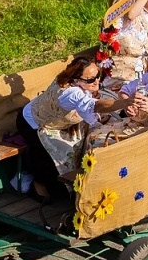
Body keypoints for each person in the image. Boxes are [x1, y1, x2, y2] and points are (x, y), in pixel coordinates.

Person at [20, 54, 130, 199]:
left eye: (98, 75)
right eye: (91, 79)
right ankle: (37, 186)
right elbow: (95, 105)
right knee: (51, 161)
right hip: (34, 123)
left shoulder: (75, 82)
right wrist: (125, 103)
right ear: (77, 80)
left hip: (56, 119)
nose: (97, 81)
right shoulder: (70, 93)